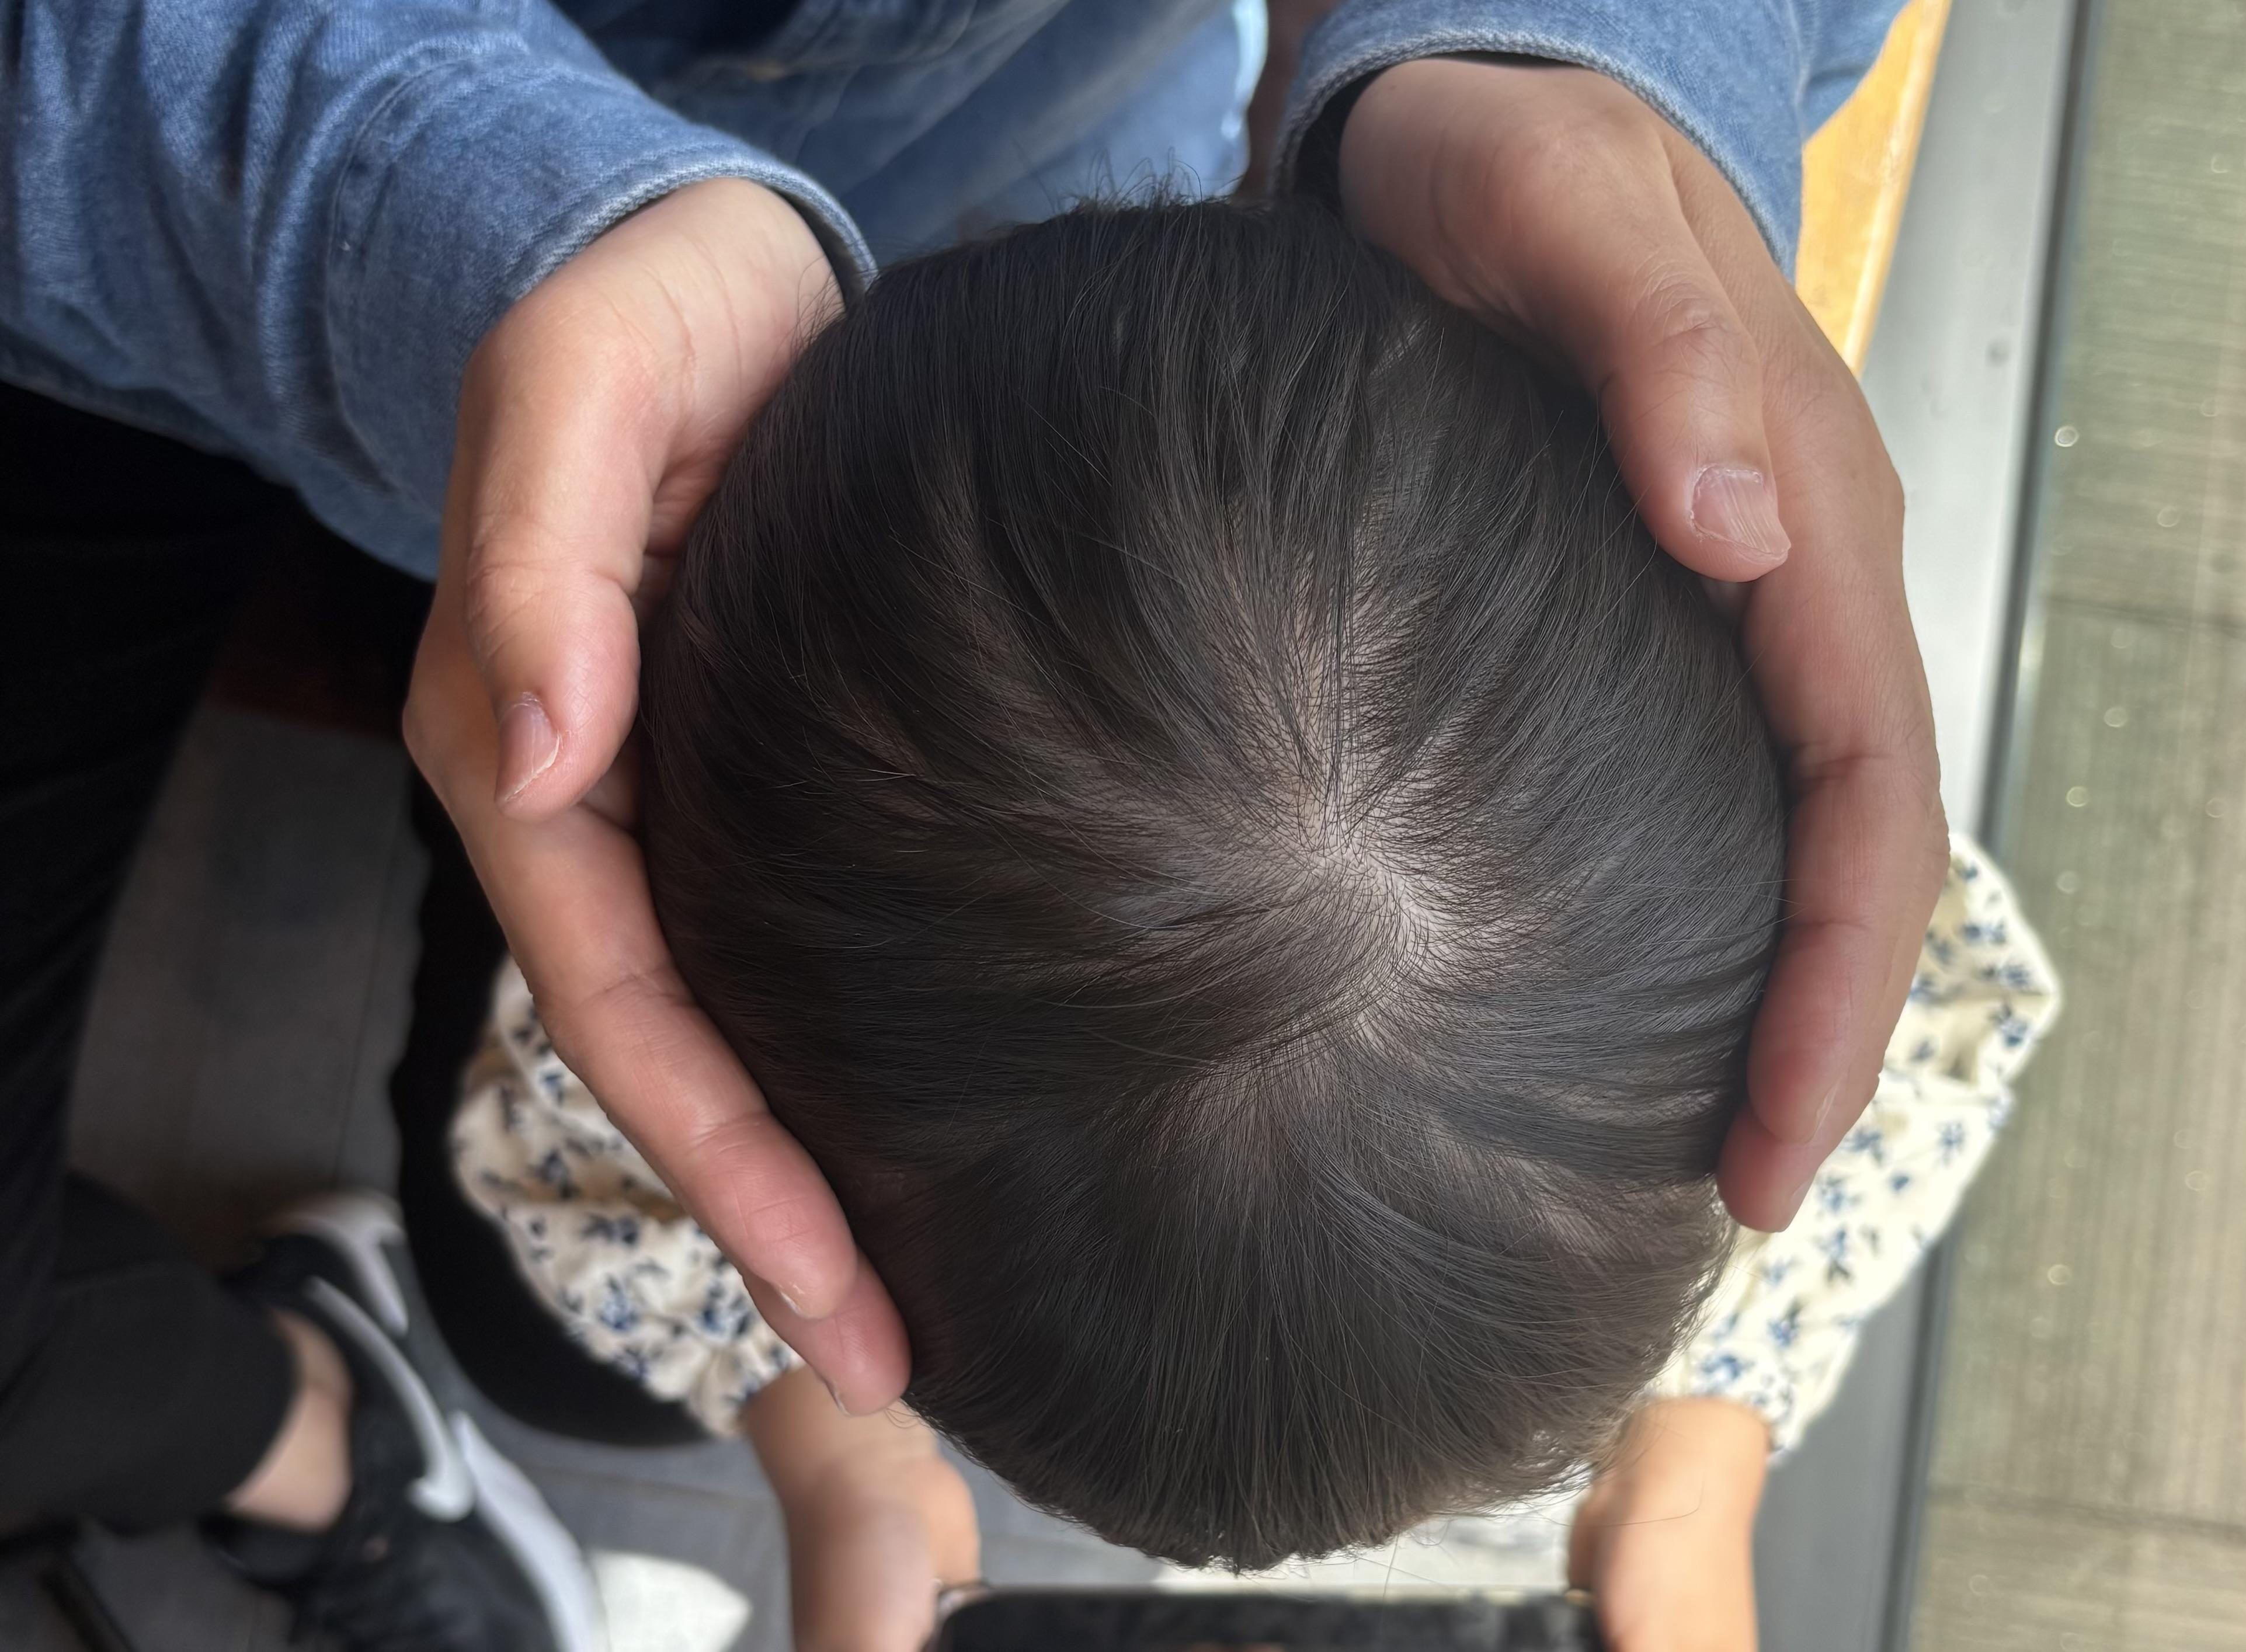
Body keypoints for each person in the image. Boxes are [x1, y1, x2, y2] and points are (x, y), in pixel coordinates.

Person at [1, 1, 1948, 1644]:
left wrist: (1578, 60)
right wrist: (412, 197)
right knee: (532, 1335)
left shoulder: (1702, 978)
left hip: (408, 226)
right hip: (141, 227)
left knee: (542, 1333)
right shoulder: (625, 1060)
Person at [436, 197, 2060, 1651]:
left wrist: (1695, 1467)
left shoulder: (1781, 1013)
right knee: (507, 1343)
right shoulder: (628, 1034)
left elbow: (1891, 1066)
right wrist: (835, 1452)